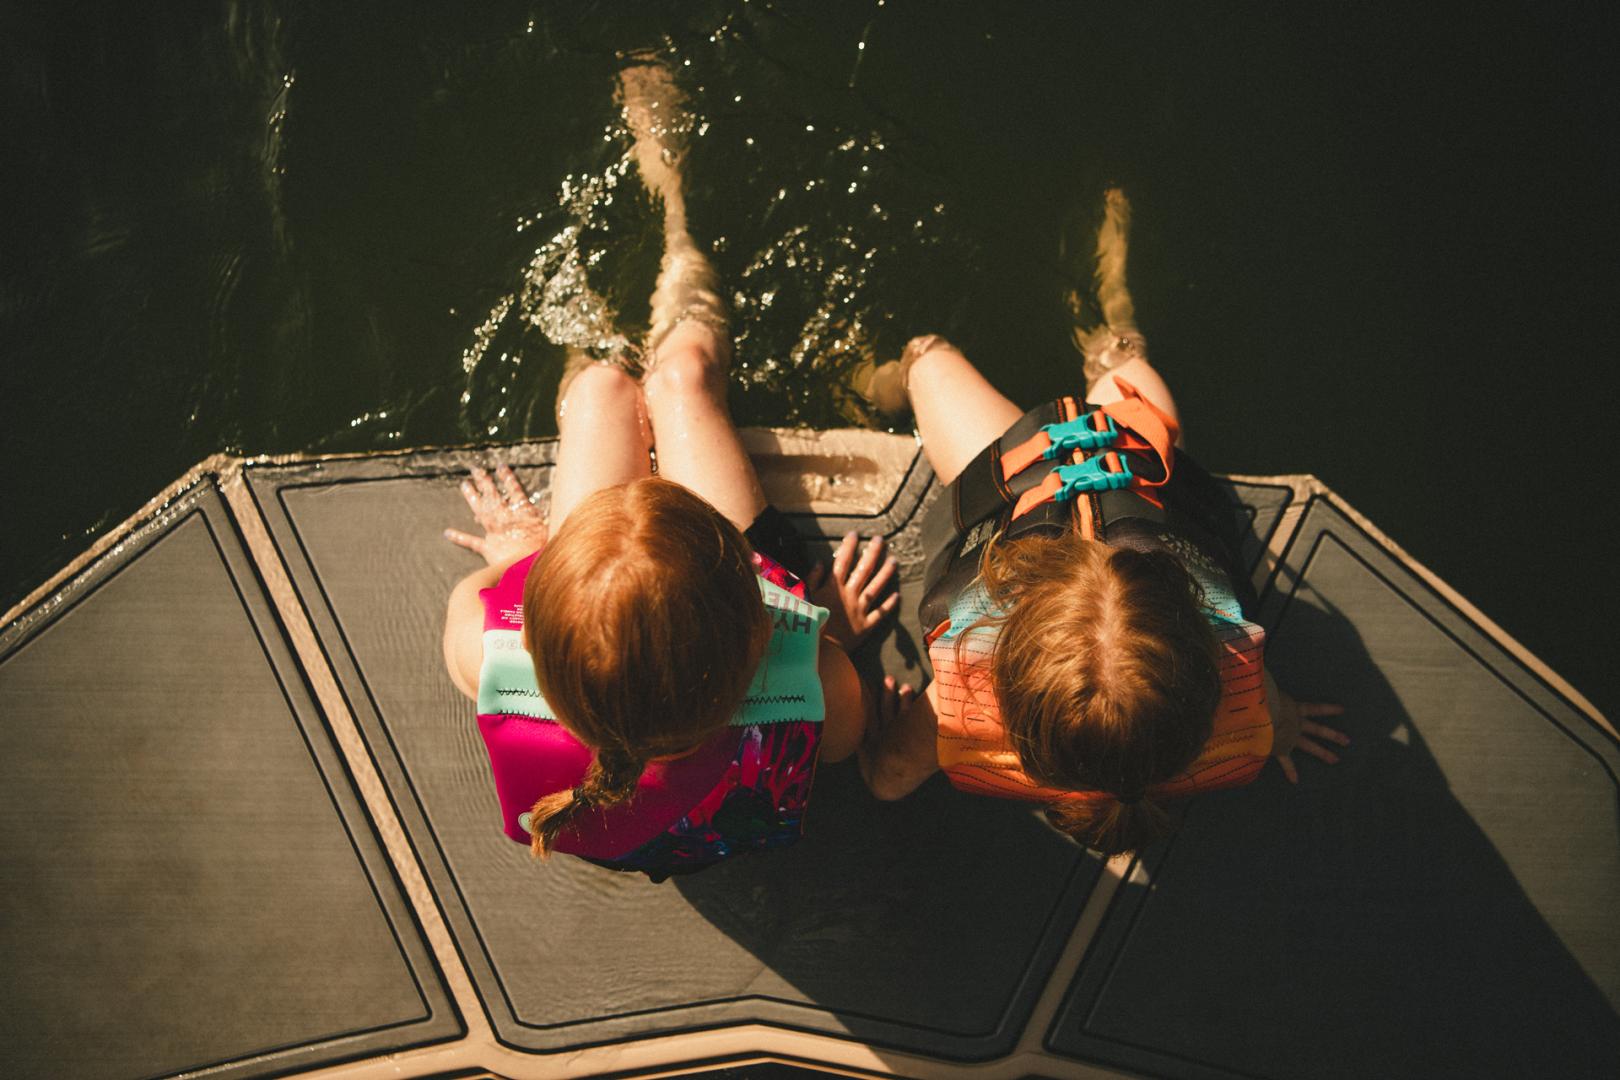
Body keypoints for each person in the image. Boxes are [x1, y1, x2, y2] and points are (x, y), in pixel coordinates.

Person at [439, 62, 897, 880]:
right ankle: (676, 215)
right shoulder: (807, 685)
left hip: (636, 624)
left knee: (600, 394)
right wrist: (826, 622)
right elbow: (846, 739)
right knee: (680, 375)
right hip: (675, 620)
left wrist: (518, 558)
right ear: (764, 620)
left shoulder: (495, 656)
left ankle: (615, 317)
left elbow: (470, 607)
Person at [859, 189, 1349, 855]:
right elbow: (1268, 707)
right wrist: (1284, 728)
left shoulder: (959, 698)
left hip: (1042, 472)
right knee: (1124, 377)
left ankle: (886, 375)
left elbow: (890, 775)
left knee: (927, 357)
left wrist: (875, 760)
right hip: (1111, 457)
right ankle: (1108, 321)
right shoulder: (1233, 675)